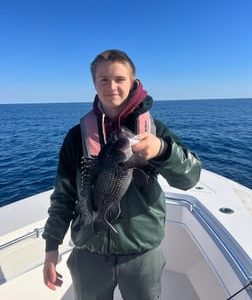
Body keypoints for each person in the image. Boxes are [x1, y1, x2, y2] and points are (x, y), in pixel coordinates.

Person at [42, 49, 201, 300]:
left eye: (119, 79)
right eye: (103, 80)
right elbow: (63, 195)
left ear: (133, 82)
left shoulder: (155, 130)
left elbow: (190, 178)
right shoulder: (76, 136)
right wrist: (51, 248)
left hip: (141, 252)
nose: (111, 86)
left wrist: (162, 150)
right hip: (88, 249)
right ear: (94, 84)